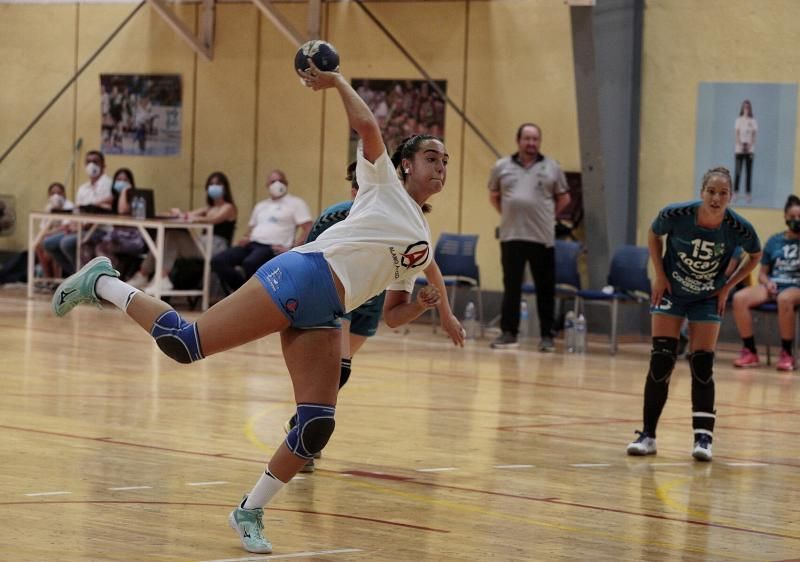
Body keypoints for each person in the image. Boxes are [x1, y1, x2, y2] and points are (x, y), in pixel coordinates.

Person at [52, 59, 452, 554]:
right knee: (184, 345)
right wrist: (336, 81)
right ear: (407, 164)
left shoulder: (421, 245)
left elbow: (393, 313)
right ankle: (105, 283)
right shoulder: (382, 184)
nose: (441, 168)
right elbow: (368, 125)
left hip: (327, 315)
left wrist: (425, 305)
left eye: (446, 162)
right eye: (433, 158)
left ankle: (250, 510)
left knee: (316, 425)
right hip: (301, 276)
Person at [283, 161, 465, 473]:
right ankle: (303, 441)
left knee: (340, 372)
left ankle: (300, 424)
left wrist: (446, 315)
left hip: (368, 301)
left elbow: (430, 268)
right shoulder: (340, 216)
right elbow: (309, 254)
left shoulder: (400, 221)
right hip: (330, 292)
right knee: (333, 372)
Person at [626, 167, 761, 462]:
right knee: (661, 360)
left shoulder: (739, 228)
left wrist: (726, 288)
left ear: (730, 196)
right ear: (702, 192)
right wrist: (660, 276)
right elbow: (653, 234)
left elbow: (755, 255)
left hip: (706, 298)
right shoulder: (677, 215)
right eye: (711, 191)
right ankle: (647, 435)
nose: (716, 198)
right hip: (672, 292)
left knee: (702, 365)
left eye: (722, 193)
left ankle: (703, 439)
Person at [488, 123, 571, 351]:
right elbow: (494, 196)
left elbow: (564, 198)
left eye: (535, 139)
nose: (531, 143)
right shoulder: (501, 166)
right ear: (518, 141)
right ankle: (508, 333)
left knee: (545, 288)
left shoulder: (552, 167)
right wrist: (509, 214)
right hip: (511, 235)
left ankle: (547, 336)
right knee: (511, 287)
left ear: (539, 142)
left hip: (542, 237)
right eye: (527, 139)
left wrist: (547, 217)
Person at [129, 171, 237, 293]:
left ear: (225, 187)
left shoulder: (228, 207)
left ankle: (160, 277)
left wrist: (192, 218)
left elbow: (212, 220)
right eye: (211, 184)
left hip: (216, 246)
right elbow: (189, 215)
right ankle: (145, 274)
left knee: (174, 237)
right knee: (168, 236)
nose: (214, 186)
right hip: (203, 243)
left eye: (218, 184)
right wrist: (178, 214)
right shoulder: (208, 208)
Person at [211, 170, 312, 294]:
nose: (277, 184)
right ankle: (242, 292)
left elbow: (308, 228)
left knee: (250, 263)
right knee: (218, 261)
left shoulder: (296, 203)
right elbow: (250, 229)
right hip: (251, 244)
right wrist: (245, 238)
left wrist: (293, 248)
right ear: (267, 185)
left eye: (280, 181)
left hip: (272, 247)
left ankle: (248, 295)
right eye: (273, 181)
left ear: (286, 183)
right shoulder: (261, 206)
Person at [731, 195, 800, 371]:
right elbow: (762, 274)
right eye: (792, 217)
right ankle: (750, 351)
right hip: (774, 284)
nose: (796, 221)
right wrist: (767, 283)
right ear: (785, 217)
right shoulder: (774, 241)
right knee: (739, 298)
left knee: (784, 298)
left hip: (795, 287)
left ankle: (787, 353)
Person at [42, 150, 112, 276]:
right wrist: (72, 225)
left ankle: (84, 276)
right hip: (81, 229)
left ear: (103, 165)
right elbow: (77, 211)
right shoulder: (83, 189)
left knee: (67, 242)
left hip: (100, 230)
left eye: (95, 161)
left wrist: (80, 227)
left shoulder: (107, 184)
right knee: (48, 243)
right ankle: (77, 274)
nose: (92, 165)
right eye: (88, 162)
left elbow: (102, 212)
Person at [92, 168, 146, 276]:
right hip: (117, 237)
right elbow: (96, 204)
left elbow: (122, 211)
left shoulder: (133, 197)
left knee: (101, 248)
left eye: (125, 180)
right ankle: (93, 278)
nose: (121, 182)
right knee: (87, 244)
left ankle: (112, 277)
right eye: (119, 179)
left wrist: (125, 191)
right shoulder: (115, 198)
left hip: (132, 239)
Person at [35, 182, 75, 281]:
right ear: (49, 195)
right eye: (53, 193)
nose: (56, 196)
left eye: (59, 193)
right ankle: (47, 278)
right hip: (50, 234)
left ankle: (56, 279)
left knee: (51, 246)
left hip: (63, 234)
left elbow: (65, 227)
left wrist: (47, 234)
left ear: (64, 194)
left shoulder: (69, 206)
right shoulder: (49, 207)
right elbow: (43, 227)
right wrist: (43, 235)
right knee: (37, 244)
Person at [734, 100, 757, 203]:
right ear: (742, 108)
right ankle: (736, 193)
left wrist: (749, 145)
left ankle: (748, 194)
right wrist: (741, 145)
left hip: (749, 150)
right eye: (744, 107)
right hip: (739, 150)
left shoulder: (753, 121)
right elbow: (737, 134)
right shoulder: (738, 120)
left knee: (749, 172)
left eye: (748, 107)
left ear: (750, 108)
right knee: (738, 171)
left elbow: (754, 135)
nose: (746, 109)